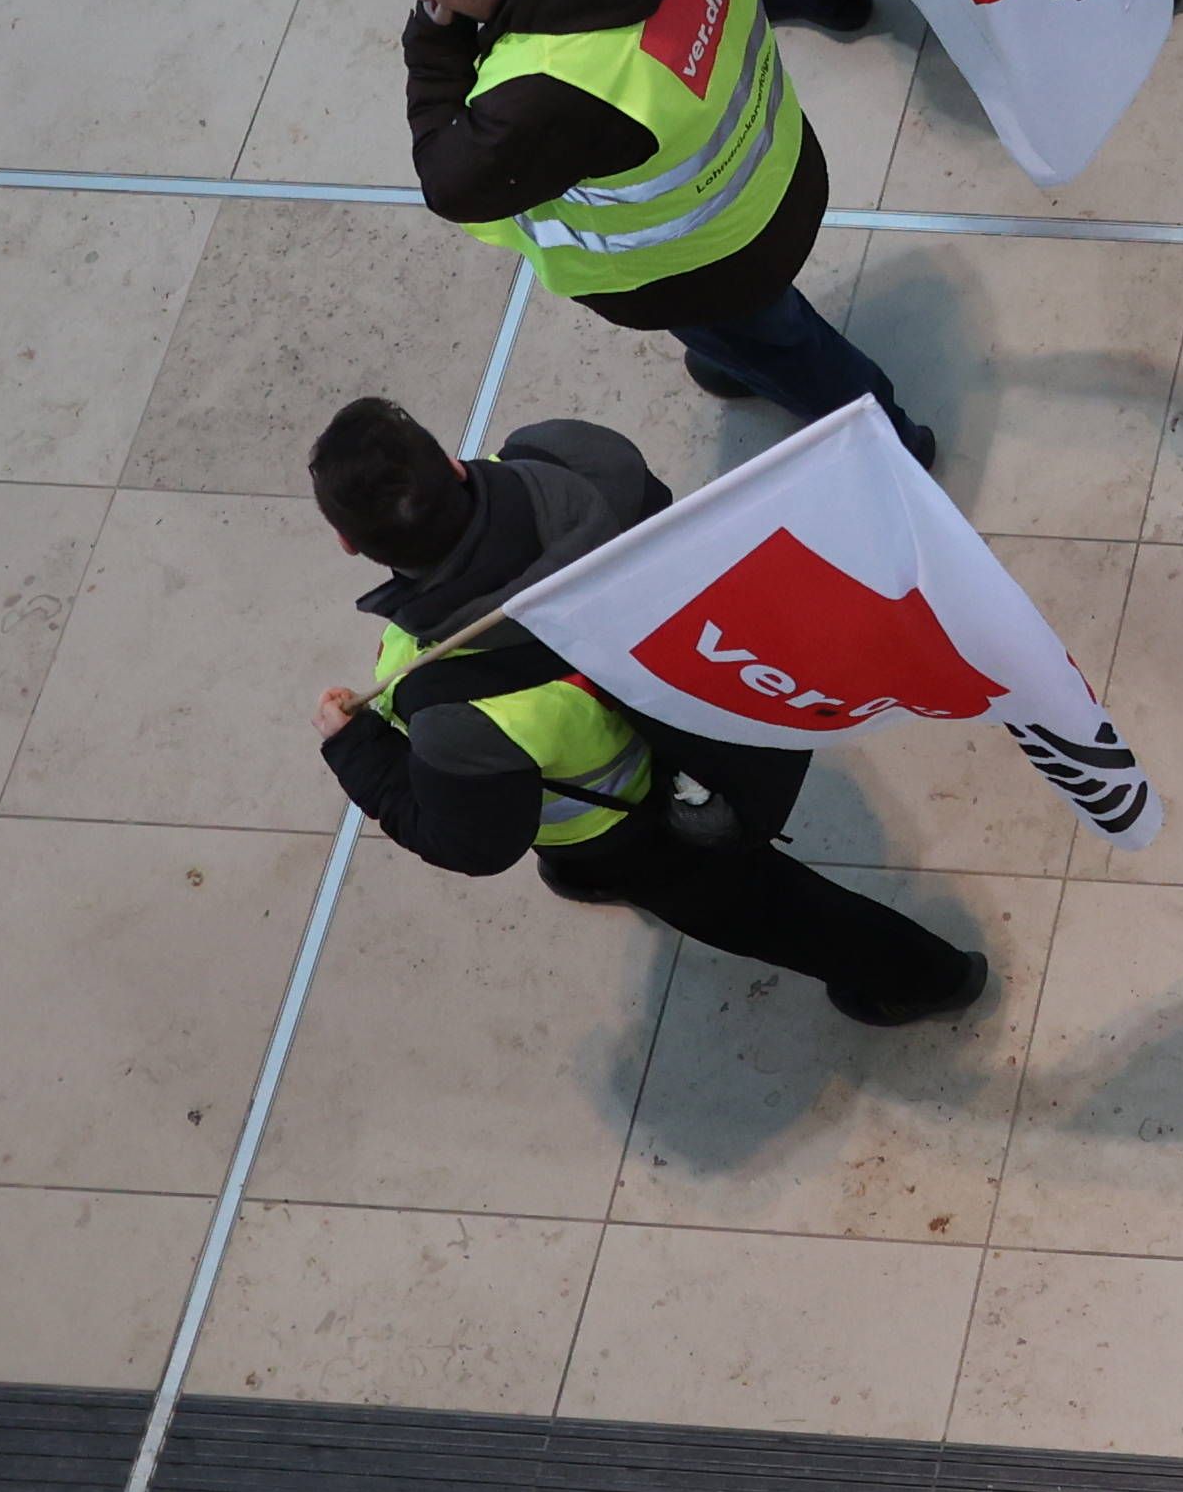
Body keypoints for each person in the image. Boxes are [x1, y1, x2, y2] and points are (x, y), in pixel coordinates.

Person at [310, 397, 984, 1026]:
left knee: (768, 912)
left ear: (346, 544)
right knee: (648, 874)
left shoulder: (452, 710)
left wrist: (358, 752)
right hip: (722, 701)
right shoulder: (574, 455)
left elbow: (473, 844)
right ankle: (583, 874)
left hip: (639, 828)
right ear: (454, 464)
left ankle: (926, 978)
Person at [377, 0, 928, 452]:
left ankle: (894, 438)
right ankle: (739, 358)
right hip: (781, 169)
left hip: (708, 265)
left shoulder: (549, 90)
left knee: (784, 349)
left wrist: (435, 45)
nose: (430, 0)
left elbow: (450, 180)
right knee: (758, 332)